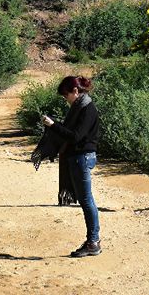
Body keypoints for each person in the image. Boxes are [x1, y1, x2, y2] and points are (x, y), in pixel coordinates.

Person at [42, 75, 102, 257]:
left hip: (82, 157)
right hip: (80, 157)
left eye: (66, 95)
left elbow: (75, 136)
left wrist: (53, 126)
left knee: (86, 200)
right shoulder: (80, 107)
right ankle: (93, 240)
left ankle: (93, 241)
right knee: (86, 200)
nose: (65, 99)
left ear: (75, 91)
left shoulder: (87, 109)